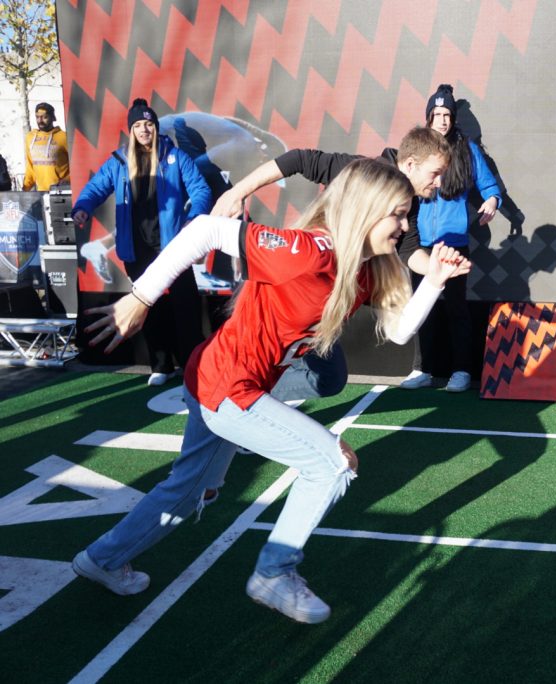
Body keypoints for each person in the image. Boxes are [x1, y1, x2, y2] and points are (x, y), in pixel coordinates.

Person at [71, 158, 472, 624]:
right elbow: (203, 230)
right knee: (332, 464)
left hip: (219, 376)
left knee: (187, 494)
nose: (406, 227)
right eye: (398, 214)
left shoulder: (367, 269)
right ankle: (274, 573)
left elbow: (401, 333)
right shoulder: (307, 251)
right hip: (226, 385)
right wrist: (140, 298)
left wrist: (436, 280)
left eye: (408, 215)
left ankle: (100, 560)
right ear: (365, 209)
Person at [210, 126, 450, 399]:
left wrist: (436, 269)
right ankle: (242, 396)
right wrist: (237, 192)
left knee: (330, 378)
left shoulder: (409, 205)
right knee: (253, 365)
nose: (440, 182)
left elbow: (409, 253)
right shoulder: (359, 173)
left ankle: (256, 398)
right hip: (298, 287)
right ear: (410, 164)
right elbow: (298, 159)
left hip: (329, 302)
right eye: (435, 173)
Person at [72, 98, 212, 386]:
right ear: (131, 130)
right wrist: (83, 206)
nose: (144, 130)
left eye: (149, 124)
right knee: (148, 308)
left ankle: (194, 365)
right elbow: (96, 187)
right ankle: (161, 366)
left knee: (186, 306)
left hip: (174, 247)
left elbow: (200, 189)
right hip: (137, 250)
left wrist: (194, 216)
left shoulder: (175, 156)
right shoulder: (120, 160)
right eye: (138, 125)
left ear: (156, 127)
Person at [399, 84, 502, 393]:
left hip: (454, 243)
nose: (442, 120)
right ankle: (423, 370)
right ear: (429, 117)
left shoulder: (466, 148)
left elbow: (489, 184)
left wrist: (493, 201)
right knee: (423, 306)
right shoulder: (418, 150)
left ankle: (461, 371)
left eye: (447, 115)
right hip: (421, 245)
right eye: (437, 114)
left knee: (457, 308)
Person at [23, 102, 70, 191]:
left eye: (44, 117)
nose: (40, 120)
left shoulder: (64, 137)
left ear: (52, 118)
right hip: (41, 192)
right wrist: (26, 188)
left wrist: (67, 180)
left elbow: (76, 164)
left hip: (61, 191)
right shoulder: (30, 137)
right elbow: (30, 166)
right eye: (37, 117)